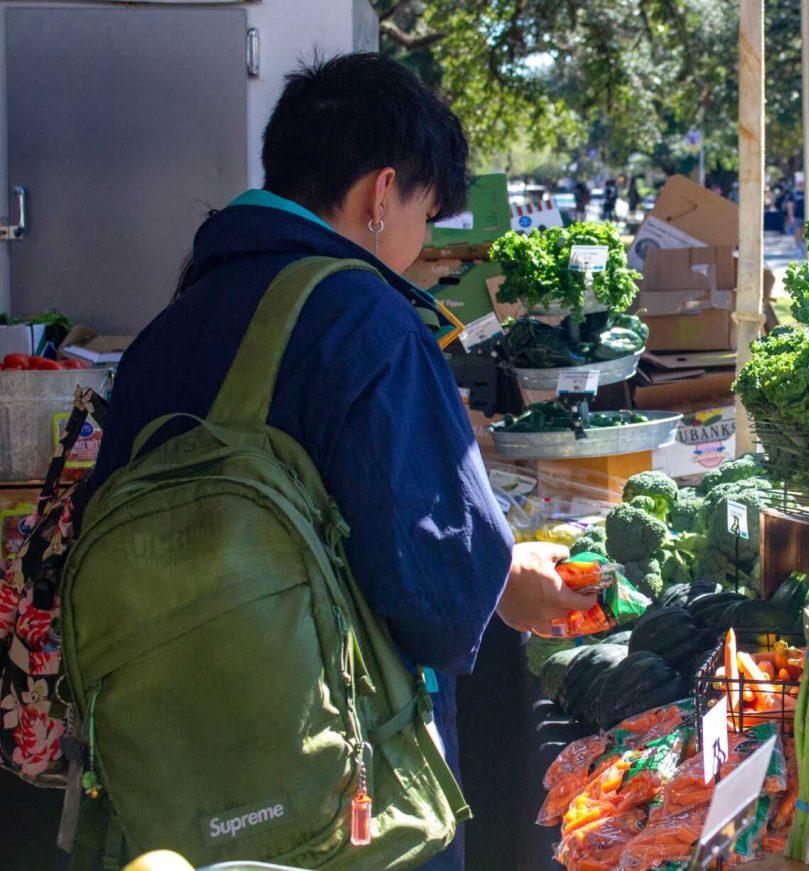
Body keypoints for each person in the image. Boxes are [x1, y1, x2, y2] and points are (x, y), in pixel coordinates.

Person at [91, 53, 592, 871]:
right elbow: (435, 591)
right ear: (380, 193)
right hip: (343, 803)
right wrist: (508, 576)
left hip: (177, 787)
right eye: (426, 216)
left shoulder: (165, 332)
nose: (420, 243)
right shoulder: (367, 323)